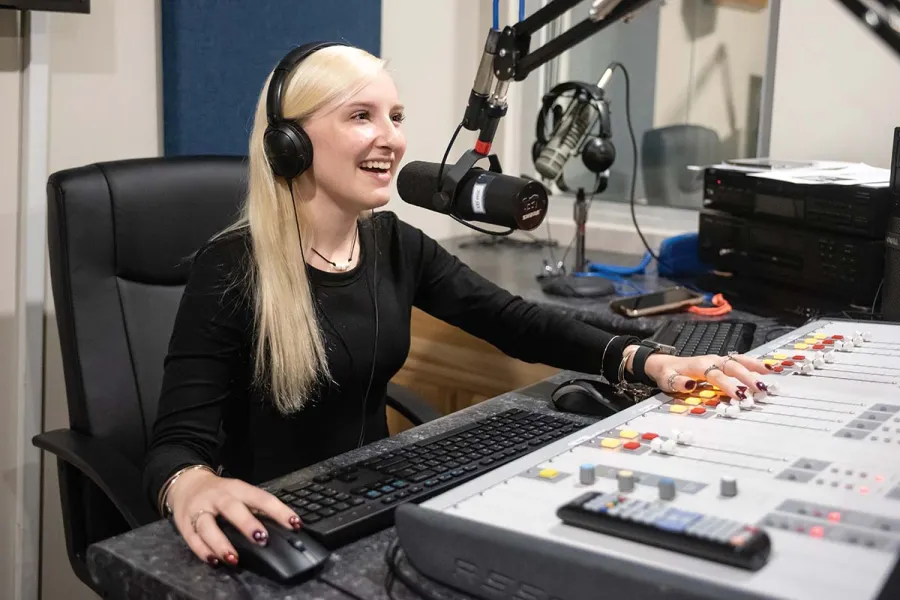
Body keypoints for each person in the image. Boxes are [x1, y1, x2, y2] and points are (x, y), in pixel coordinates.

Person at [143, 42, 771, 569]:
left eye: (396, 115)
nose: (392, 138)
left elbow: (510, 319)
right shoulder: (232, 266)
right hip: (281, 531)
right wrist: (191, 482)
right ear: (289, 144)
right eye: (362, 116)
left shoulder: (394, 244)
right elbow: (176, 446)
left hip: (375, 512)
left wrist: (644, 360)